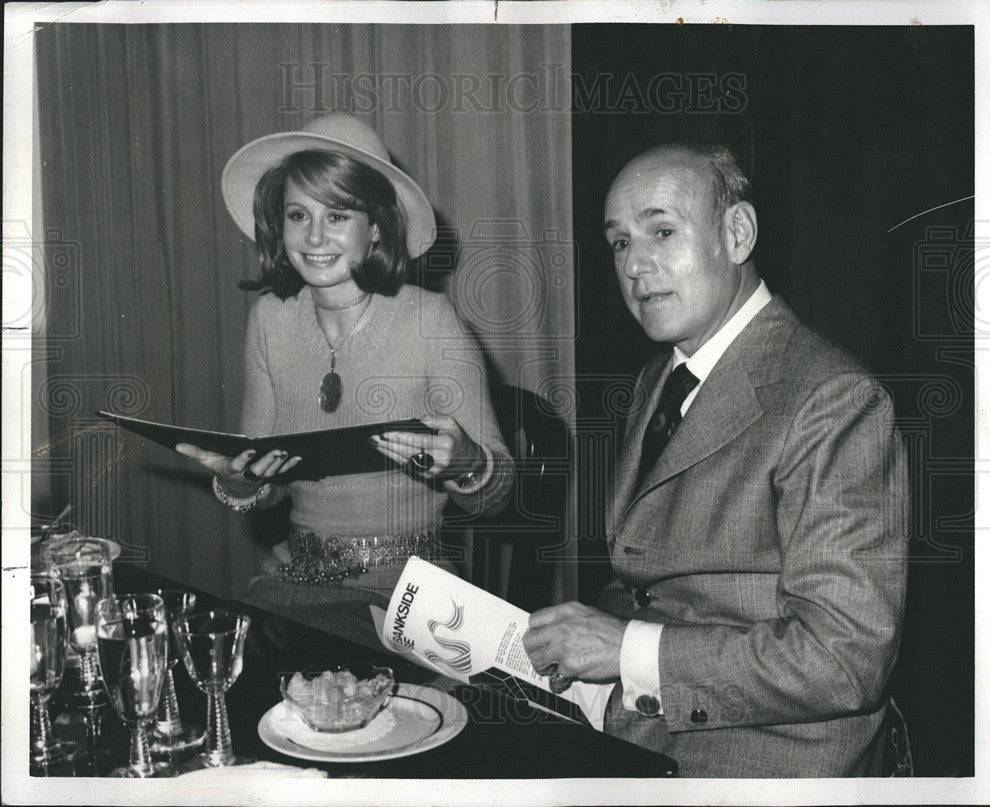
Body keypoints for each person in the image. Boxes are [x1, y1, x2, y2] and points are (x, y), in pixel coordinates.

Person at [523, 143, 909, 777]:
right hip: (642, 721)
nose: (635, 267)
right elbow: (646, 583)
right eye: (619, 243)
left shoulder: (834, 399)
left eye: (662, 232)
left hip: (767, 755)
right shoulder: (658, 380)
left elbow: (845, 661)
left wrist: (623, 650)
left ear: (738, 233)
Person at [177, 113, 513, 650]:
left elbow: (495, 496)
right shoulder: (269, 319)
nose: (313, 237)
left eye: (337, 215)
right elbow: (270, 483)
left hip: (410, 598)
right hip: (293, 586)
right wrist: (242, 482)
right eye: (297, 214)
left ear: (376, 226)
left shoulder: (431, 320)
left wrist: (468, 461)